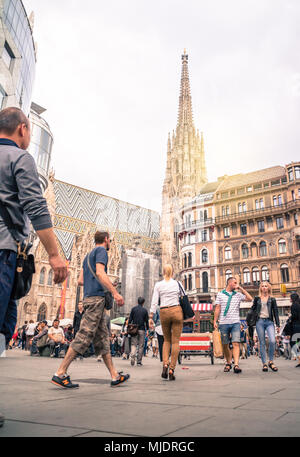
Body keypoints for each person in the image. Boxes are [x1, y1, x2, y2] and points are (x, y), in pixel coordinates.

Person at [0, 107, 68, 355]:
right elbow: (37, 207)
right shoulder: (20, 158)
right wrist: (54, 253)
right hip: (5, 251)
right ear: (23, 129)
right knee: (4, 322)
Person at [51, 231, 129, 388]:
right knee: (84, 335)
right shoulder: (101, 251)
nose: (110, 243)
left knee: (102, 339)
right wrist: (115, 293)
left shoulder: (87, 256)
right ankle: (60, 372)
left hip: (89, 298)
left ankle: (114, 375)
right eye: (110, 241)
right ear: (106, 240)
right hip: (96, 300)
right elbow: (100, 273)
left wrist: (101, 283)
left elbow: (80, 281)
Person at [150, 264, 184, 381]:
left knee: (166, 340)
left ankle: (165, 364)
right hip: (176, 311)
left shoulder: (158, 285)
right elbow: (184, 296)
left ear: (163, 272)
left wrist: (151, 316)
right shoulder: (177, 283)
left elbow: (154, 301)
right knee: (175, 342)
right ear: (173, 272)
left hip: (164, 311)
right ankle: (171, 369)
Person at [214, 277, 252, 374]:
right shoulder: (220, 294)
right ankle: (228, 362)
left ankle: (236, 365)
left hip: (235, 322)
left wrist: (241, 289)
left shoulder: (238, 295)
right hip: (223, 322)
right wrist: (215, 321)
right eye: (235, 282)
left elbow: (250, 298)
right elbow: (217, 308)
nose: (236, 284)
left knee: (236, 343)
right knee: (225, 344)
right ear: (229, 283)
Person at [250, 281, 280, 372]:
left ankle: (270, 361)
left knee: (272, 340)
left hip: (269, 322)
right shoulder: (257, 298)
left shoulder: (272, 299)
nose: (264, 287)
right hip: (260, 322)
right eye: (262, 286)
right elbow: (253, 309)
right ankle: (264, 363)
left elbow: (276, 312)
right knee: (262, 343)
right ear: (260, 288)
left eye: (266, 286)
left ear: (269, 288)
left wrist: (278, 324)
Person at [129, 297, 149, 366]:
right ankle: (139, 362)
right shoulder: (145, 310)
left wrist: (129, 327)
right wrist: (148, 330)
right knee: (141, 345)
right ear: (143, 303)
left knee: (133, 344)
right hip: (142, 329)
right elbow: (146, 321)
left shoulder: (133, 309)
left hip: (134, 329)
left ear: (137, 302)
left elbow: (130, 319)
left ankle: (132, 356)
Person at [290, 293, 300, 368]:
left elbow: (295, 316)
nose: (289, 299)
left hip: (296, 326)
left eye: (290, 298)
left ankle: (299, 357)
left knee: (293, 342)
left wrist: (290, 318)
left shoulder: (294, 305)